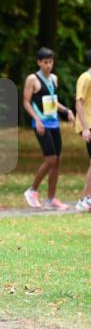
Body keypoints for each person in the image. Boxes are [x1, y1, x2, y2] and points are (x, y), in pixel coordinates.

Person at [22, 48, 74, 210]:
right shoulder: (32, 79)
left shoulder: (54, 79)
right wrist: (36, 119)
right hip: (41, 124)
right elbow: (26, 102)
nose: (48, 65)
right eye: (45, 62)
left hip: (54, 123)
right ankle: (32, 190)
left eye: (51, 62)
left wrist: (66, 110)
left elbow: (53, 101)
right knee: (50, 159)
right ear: (38, 62)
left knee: (57, 161)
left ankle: (51, 199)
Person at [74, 49, 91, 212]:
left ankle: (87, 198)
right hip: (88, 125)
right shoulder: (85, 78)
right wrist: (85, 128)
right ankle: (84, 199)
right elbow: (78, 102)